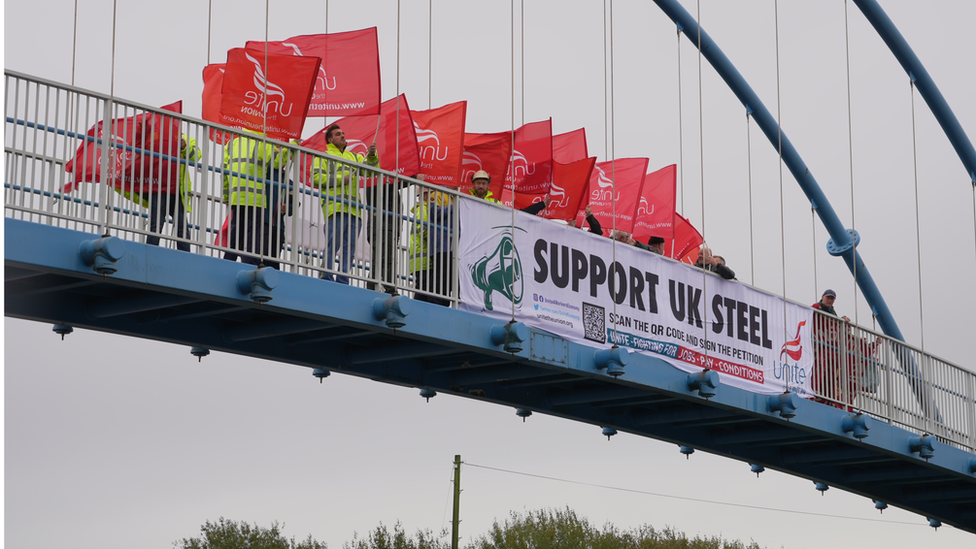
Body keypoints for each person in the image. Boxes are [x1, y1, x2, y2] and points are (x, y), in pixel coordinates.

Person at [312, 124, 378, 284]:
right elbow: (316, 179)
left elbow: (371, 172)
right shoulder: (324, 156)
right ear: (330, 139)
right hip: (335, 207)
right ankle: (325, 276)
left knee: (350, 249)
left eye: (343, 133)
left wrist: (371, 156)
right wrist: (342, 179)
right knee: (332, 244)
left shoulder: (354, 157)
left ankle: (343, 279)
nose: (342, 136)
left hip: (354, 210)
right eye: (338, 134)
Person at [222, 129, 292, 267]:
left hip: (237, 195)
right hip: (255, 197)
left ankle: (227, 261)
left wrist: (226, 195)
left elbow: (224, 171)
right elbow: (276, 162)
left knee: (238, 230)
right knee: (253, 232)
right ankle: (251, 263)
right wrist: (290, 148)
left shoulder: (232, 143)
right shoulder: (262, 142)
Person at [145, 135, 200, 252]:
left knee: (181, 226)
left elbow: (196, 157)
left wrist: (185, 146)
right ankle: (149, 252)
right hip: (160, 186)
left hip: (176, 189)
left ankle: (184, 256)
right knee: (157, 224)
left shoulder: (186, 138)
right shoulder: (155, 135)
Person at [468, 170, 550, 214]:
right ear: (473, 185)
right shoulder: (465, 200)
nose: (481, 186)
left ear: (488, 186)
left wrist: (541, 205)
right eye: (478, 183)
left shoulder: (496, 203)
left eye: (483, 183)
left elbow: (515, 215)